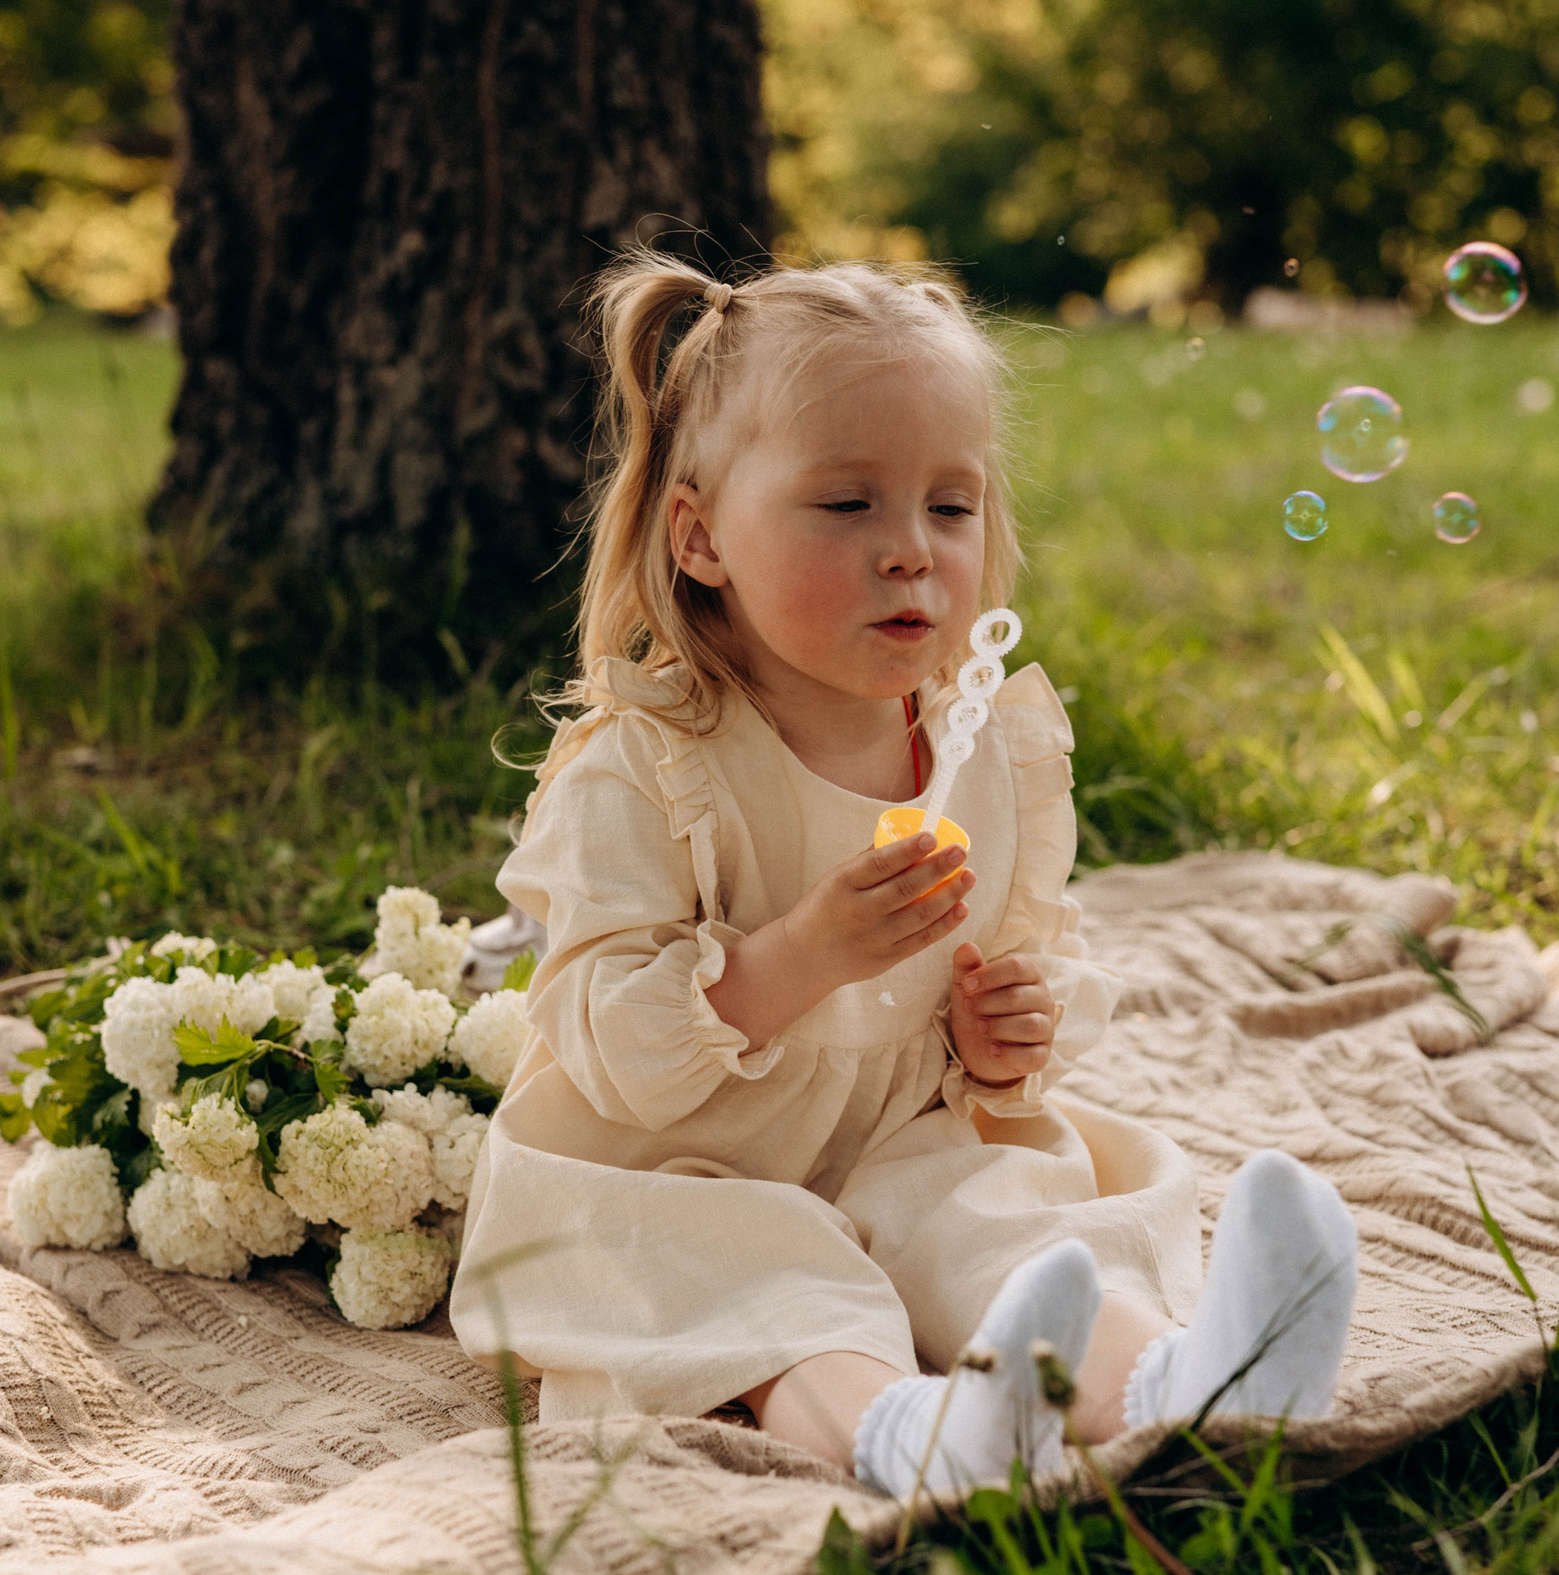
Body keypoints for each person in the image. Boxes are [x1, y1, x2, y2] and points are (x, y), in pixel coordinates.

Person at [447, 252, 1359, 1497]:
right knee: (765, 1277)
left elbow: (1020, 956)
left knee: (1002, 1216)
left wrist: (1005, 1039)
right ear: (701, 536)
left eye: (950, 506)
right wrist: (801, 957)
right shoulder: (650, 769)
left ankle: (1182, 1384)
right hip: (680, 1164)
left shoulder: (988, 745)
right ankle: (914, 1438)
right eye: (845, 506)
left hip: (894, 1132)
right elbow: (607, 1039)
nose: (910, 553)